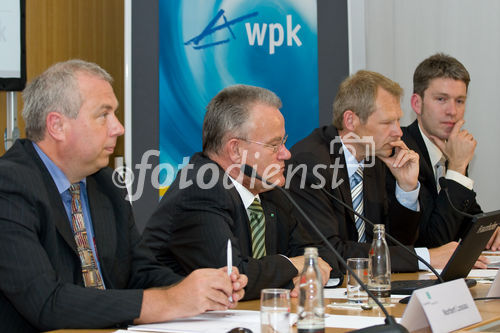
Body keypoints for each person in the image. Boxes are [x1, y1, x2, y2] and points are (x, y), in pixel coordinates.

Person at [0, 60, 246, 333]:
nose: (118, 128)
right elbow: (47, 303)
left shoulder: (106, 183)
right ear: (57, 126)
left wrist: (198, 289)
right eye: (103, 115)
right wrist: (168, 301)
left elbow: (139, 273)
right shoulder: (9, 186)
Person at [144, 84, 338, 300]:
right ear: (235, 150)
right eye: (274, 145)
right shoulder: (200, 189)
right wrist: (293, 265)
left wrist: (306, 268)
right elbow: (232, 278)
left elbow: (323, 254)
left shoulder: (269, 190)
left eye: (283, 142)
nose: (286, 154)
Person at [286, 70, 463, 273]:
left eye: (398, 120)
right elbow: (328, 253)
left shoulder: (376, 156)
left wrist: (406, 189)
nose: (399, 131)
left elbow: (395, 245)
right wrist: (426, 258)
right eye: (387, 122)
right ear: (351, 121)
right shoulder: (309, 164)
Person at [402, 53, 498, 251]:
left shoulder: (453, 148)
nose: (452, 111)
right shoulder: (401, 151)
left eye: (460, 101)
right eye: (441, 99)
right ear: (416, 103)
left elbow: (464, 220)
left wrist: (491, 230)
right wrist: (456, 169)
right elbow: (434, 242)